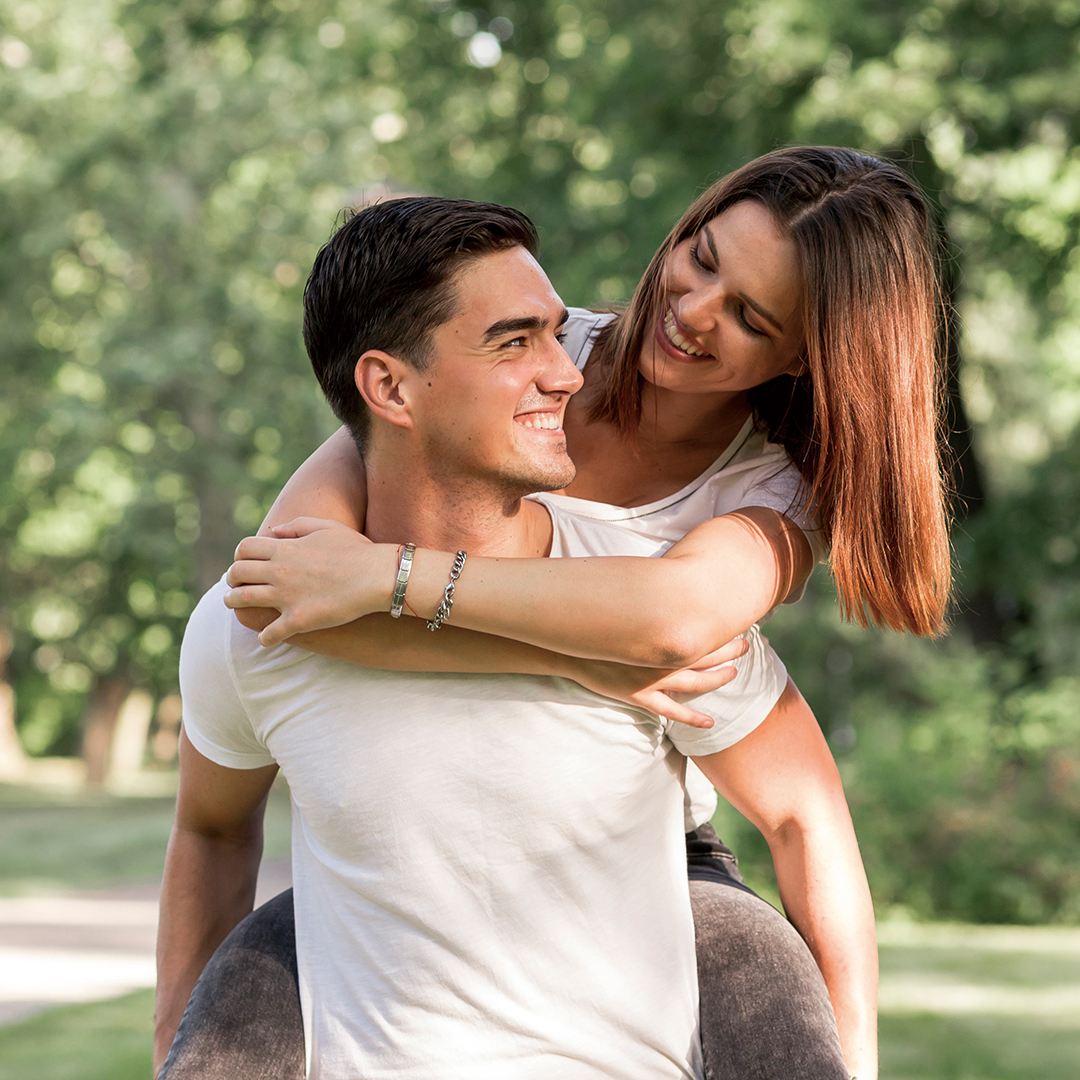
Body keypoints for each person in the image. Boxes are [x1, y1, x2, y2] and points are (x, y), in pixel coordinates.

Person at [216, 147, 950, 1077]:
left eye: (750, 318)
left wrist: (391, 580)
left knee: (763, 996)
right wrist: (592, 665)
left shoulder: (774, 487)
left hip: (644, 842)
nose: (691, 313)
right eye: (704, 257)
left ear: (805, 356)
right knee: (235, 1018)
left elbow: (678, 618)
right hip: (407, 825)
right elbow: (292, 589)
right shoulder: (530, 354)